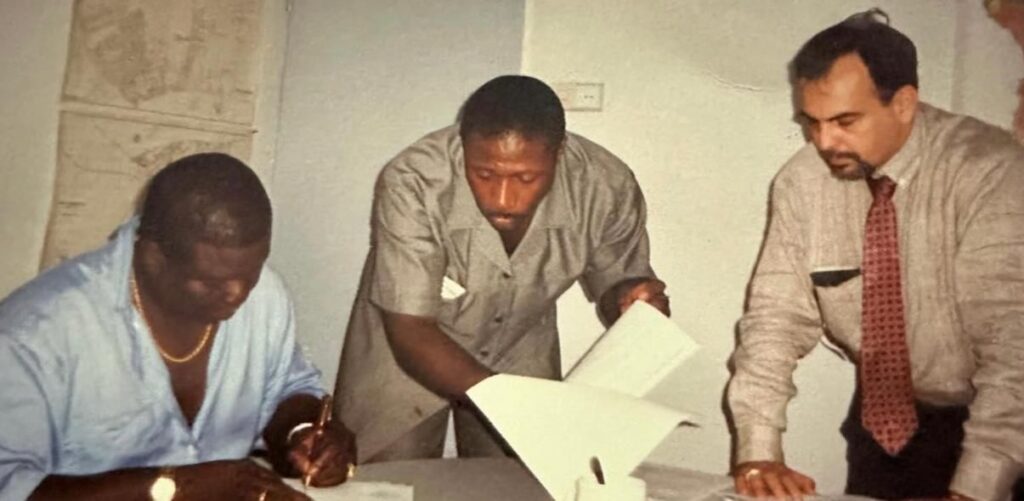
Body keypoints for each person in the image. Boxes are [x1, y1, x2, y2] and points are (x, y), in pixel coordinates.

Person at [726, 9, 1024, 501]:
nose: (824, 142)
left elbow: (1014, 347)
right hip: (885, 425)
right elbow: (774, 320)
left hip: (1002, 426)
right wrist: (759, 452)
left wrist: (977, 487)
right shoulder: (803, 181)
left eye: (845, 121)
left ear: (904, 103)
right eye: (811, 122)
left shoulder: (991, 173)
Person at [334, 75, 671, 462]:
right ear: (462, 147)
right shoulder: (413, 180)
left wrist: (630, 300)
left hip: (520, 346)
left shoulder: (606, 185)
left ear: (559, 153)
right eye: (485, 175)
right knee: (391, 485)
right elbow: (410, 327)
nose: (503, 200)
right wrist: (511, 405)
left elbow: (619, 285)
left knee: (519, 484)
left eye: (526, 178)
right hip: (406, 351)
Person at [0, 153, 357, 500]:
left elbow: (288, 389)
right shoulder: (37, 333)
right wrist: (173, 488)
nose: (238, 293)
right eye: (211, 281)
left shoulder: (264, 296)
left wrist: (306, 433)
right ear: (152, 257)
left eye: (251, 273)